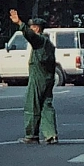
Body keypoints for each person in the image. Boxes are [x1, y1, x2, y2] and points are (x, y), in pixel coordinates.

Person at [9, 10, 58, 144]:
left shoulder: (39, 41)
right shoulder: (49, 43)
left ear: (36, 28)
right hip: (48, 78)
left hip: (38, 77)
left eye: (32, 27)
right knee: (46, 105)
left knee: (32, 105)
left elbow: (30, 36)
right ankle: (51, 134)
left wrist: (19, 23)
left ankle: (31, 135)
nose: (30, 29)